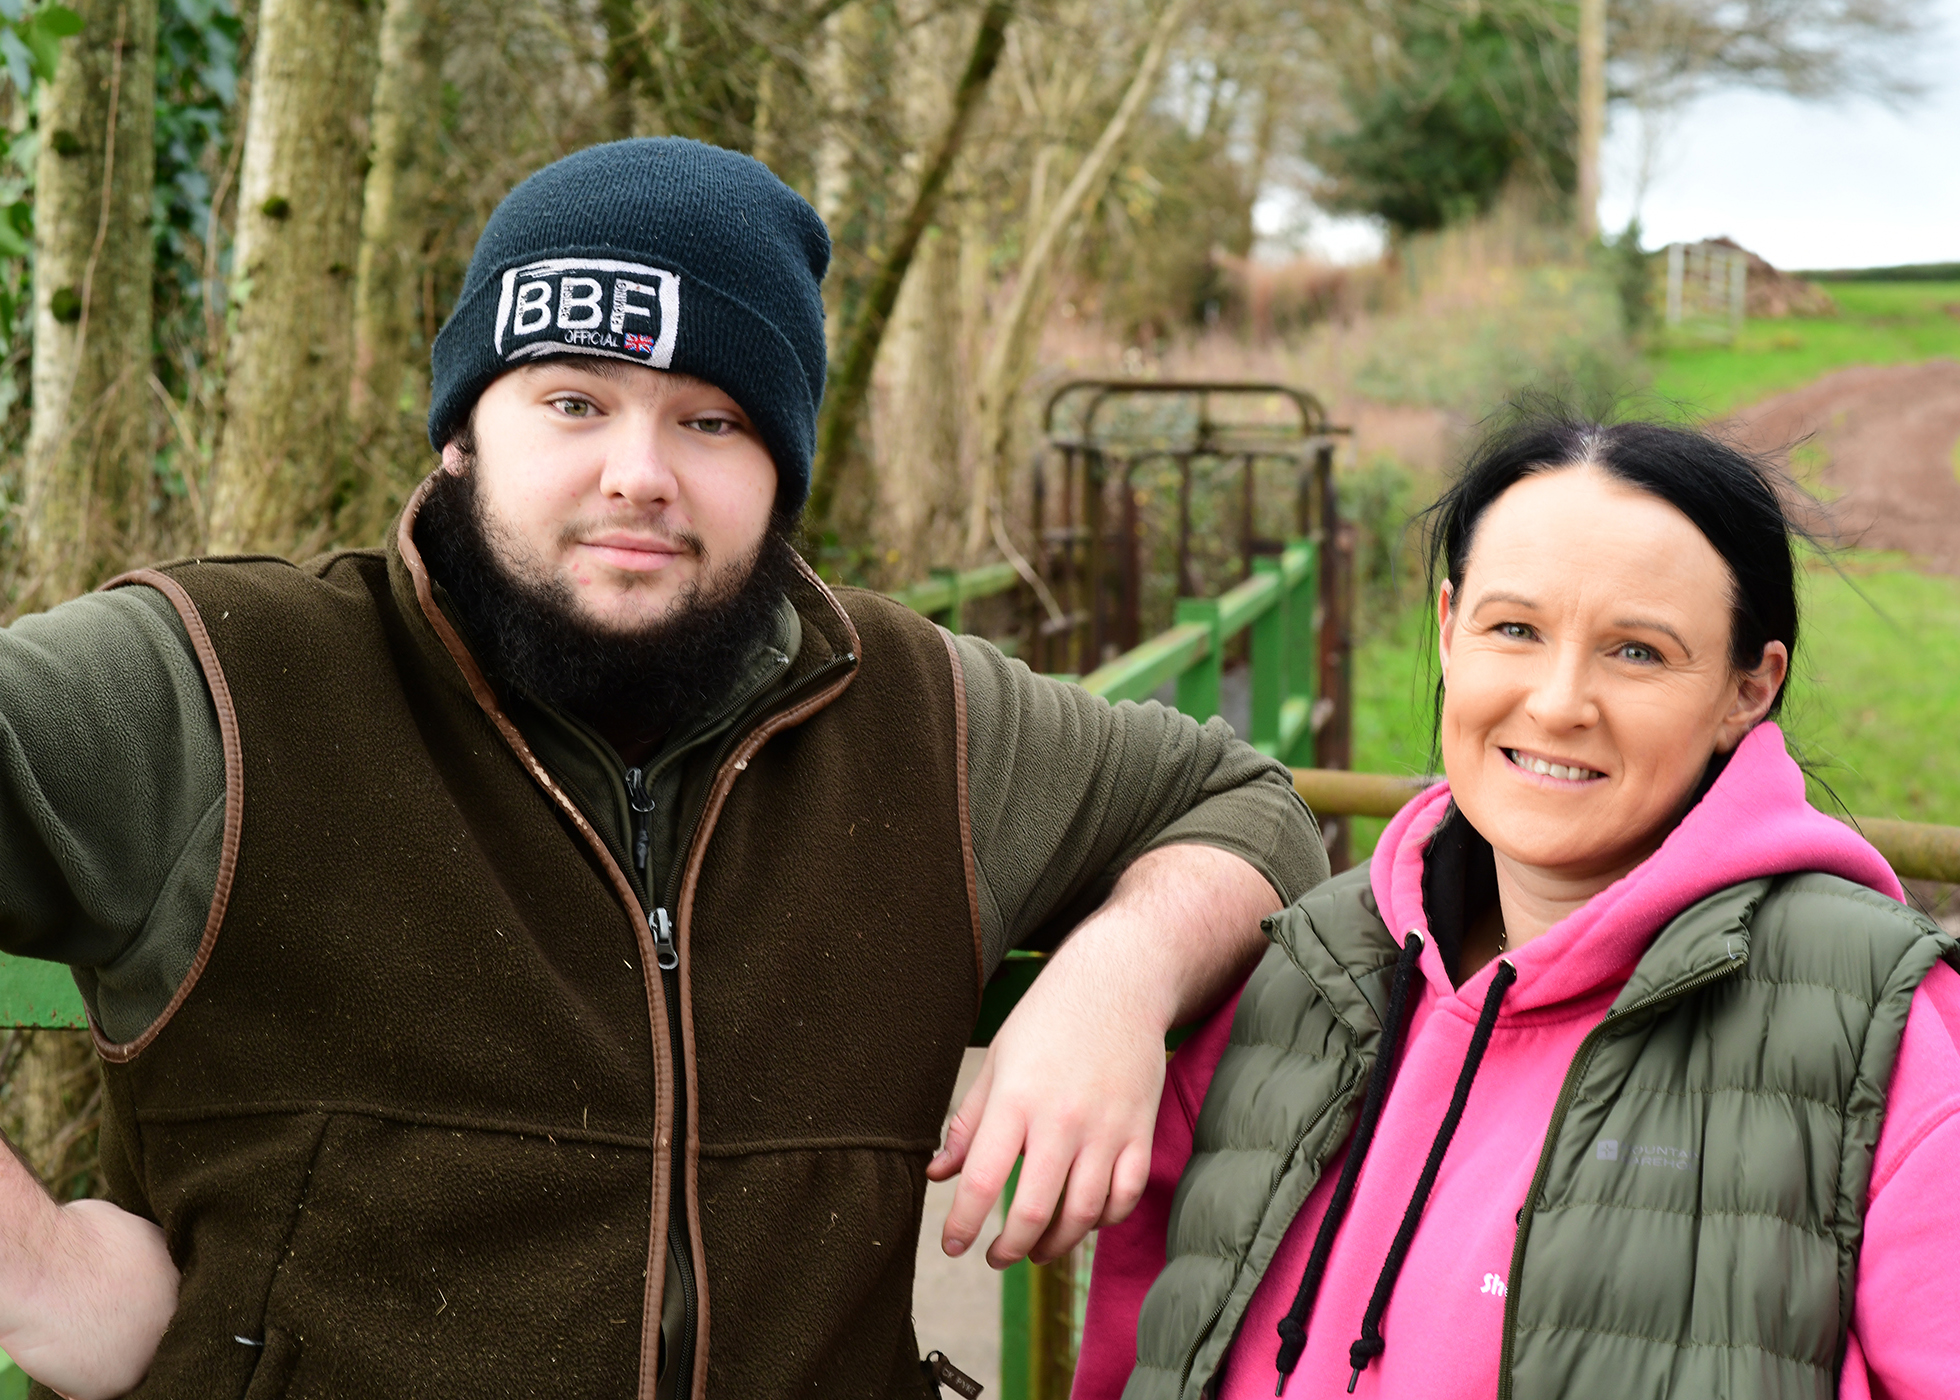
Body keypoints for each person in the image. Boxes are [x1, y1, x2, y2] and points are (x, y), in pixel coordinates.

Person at [0, 139, 1326, 1399]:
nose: (639, 475)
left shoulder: (920, 719)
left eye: (711, 422)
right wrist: (43, 1281)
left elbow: (1244, 804)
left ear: (783, 471)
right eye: (574, 401)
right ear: (463, 431)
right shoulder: (225, 683)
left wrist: (1116, 976)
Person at [1074, 413, 1960, 1400]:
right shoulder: (1297, 979)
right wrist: (1108, 982)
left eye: (1636, 651)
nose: (1557, 700)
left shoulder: (1881, 1037)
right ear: (1449, 628)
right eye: (1514, 628)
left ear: (1748, 687)